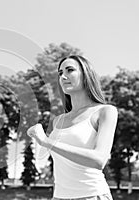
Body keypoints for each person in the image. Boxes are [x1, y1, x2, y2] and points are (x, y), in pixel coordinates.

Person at [27, 55, 118, 200]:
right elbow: (62, 166)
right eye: (60, 73)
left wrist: (46, 141)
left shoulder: (105, 111)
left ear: (86, 74)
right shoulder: (58, 121)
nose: (63, 76)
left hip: (92, 195)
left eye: (70, 70)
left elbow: (99, 160)